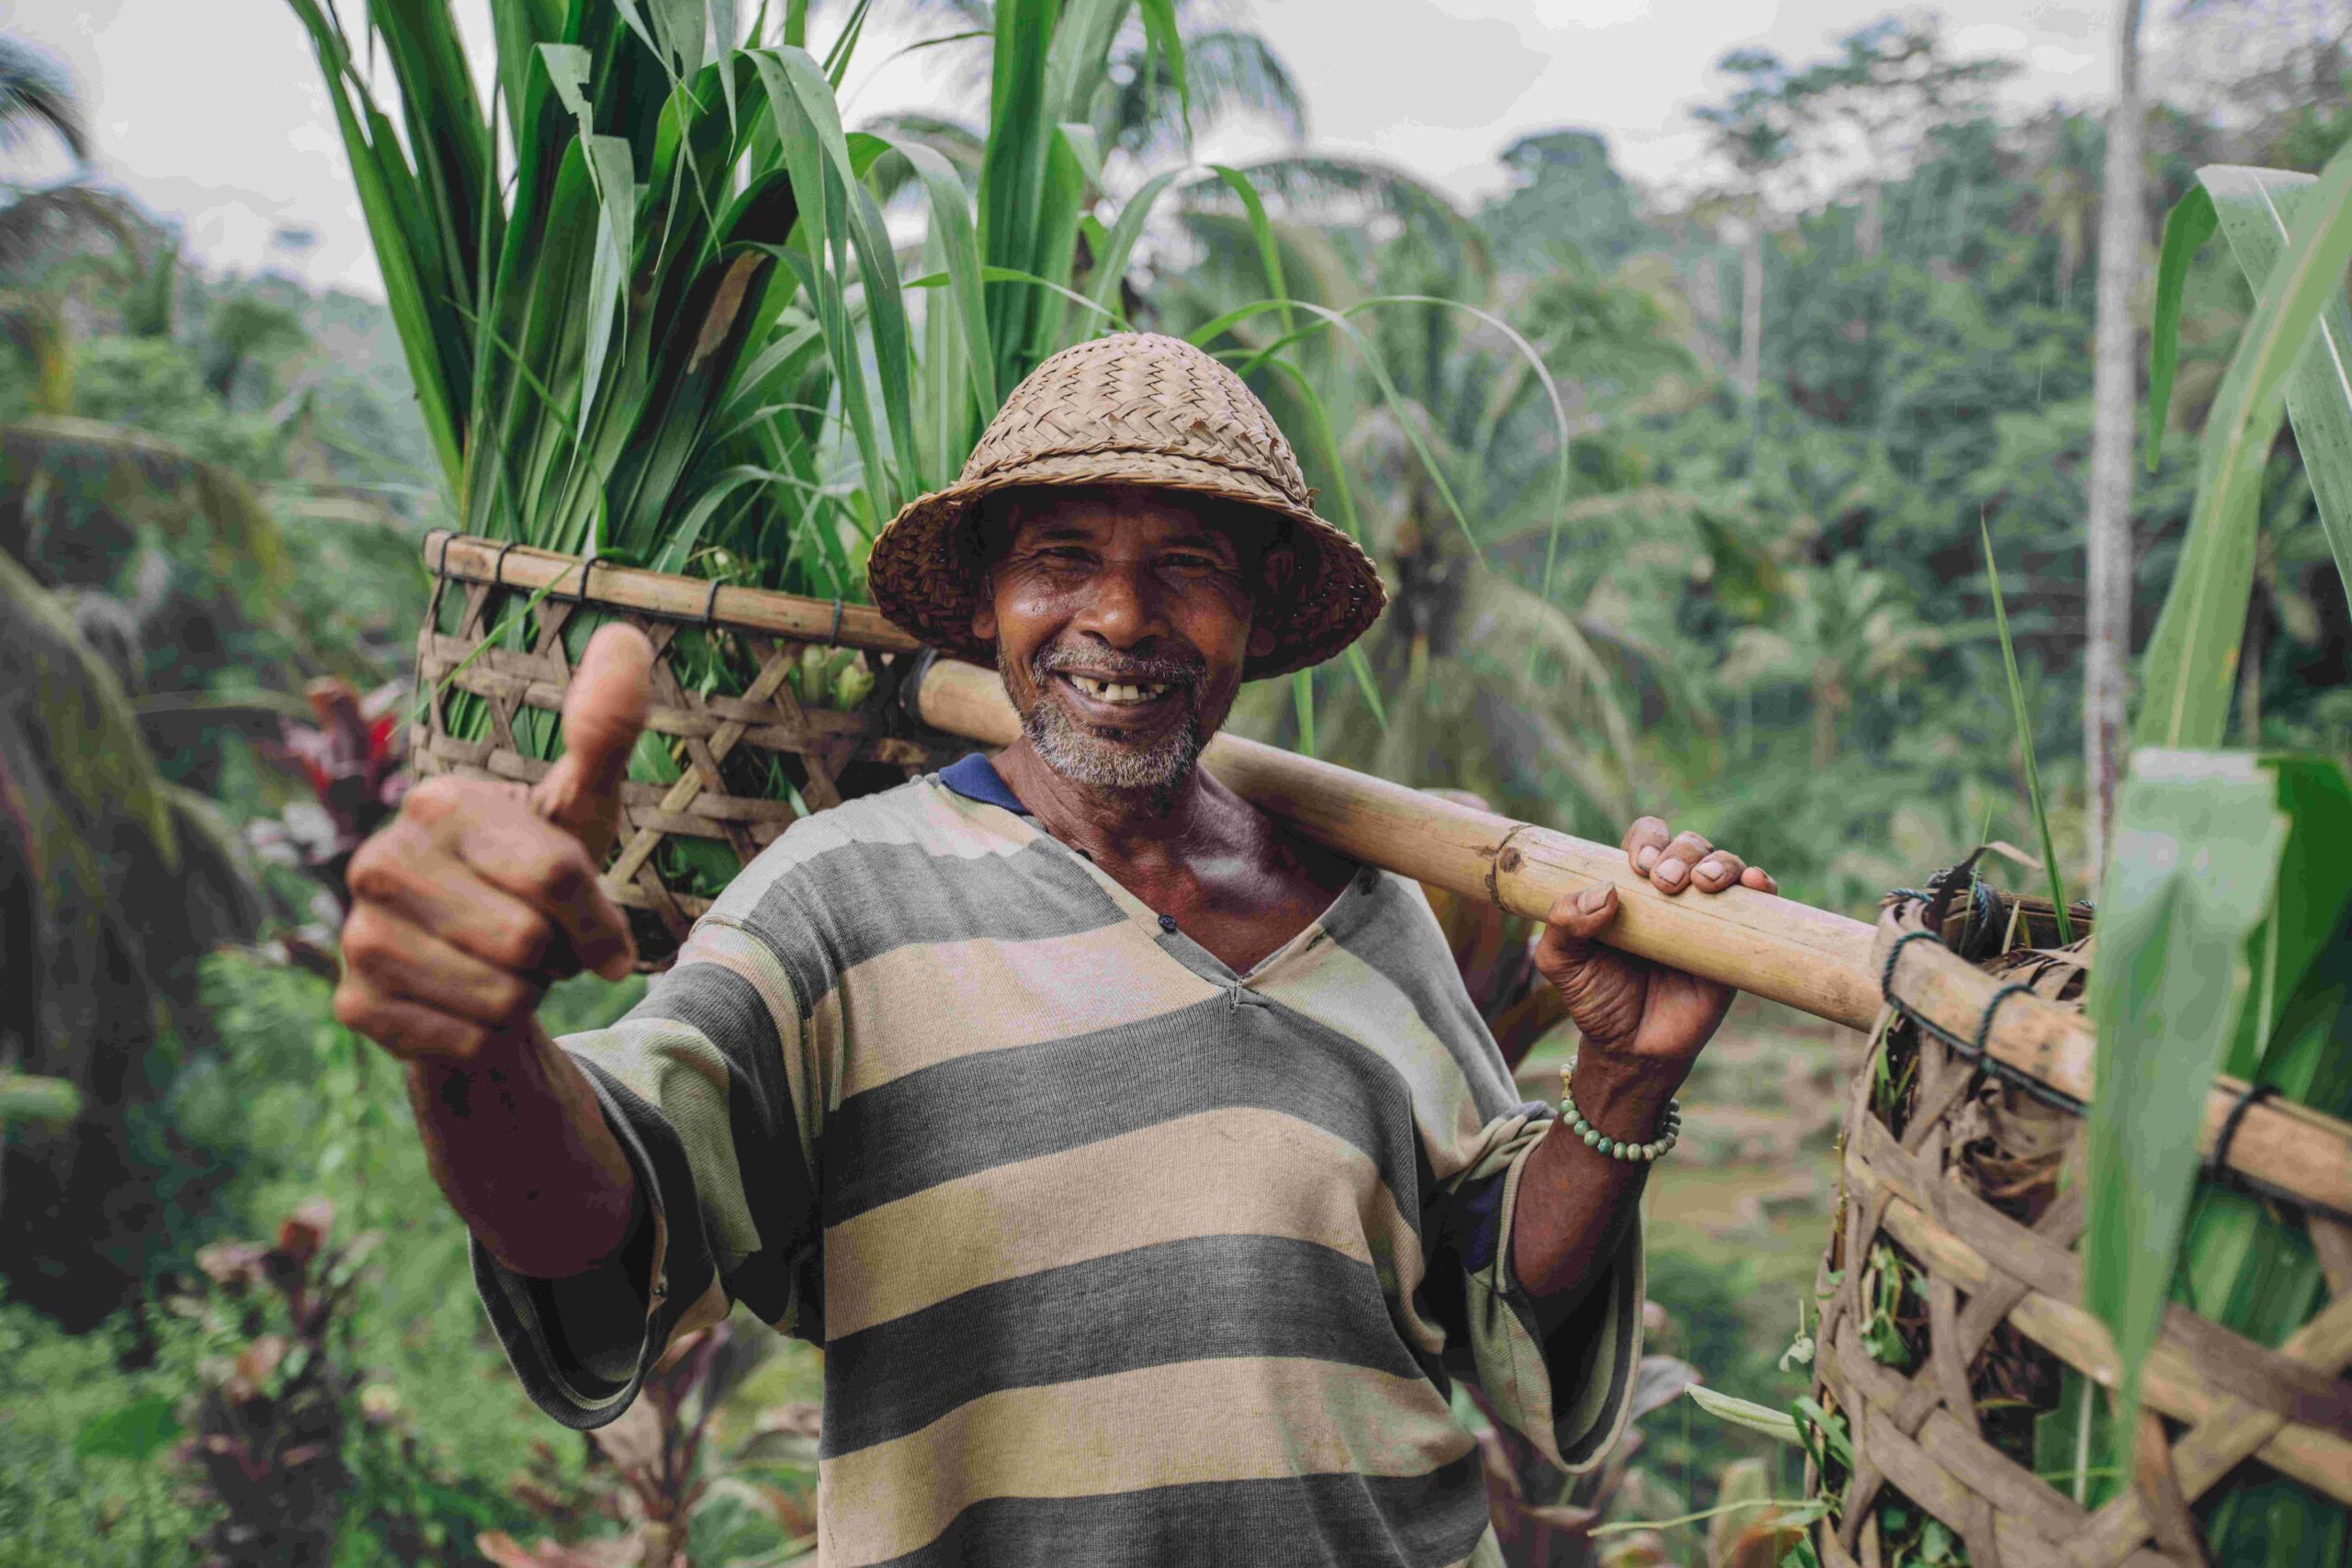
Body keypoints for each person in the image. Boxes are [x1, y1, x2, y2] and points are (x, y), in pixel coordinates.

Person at [334, 333, 1778, 1567]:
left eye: (1189, 569)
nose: (1122, 620)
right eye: (1063, 559)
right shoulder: (842, 899)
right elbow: (604, 1238)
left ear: (1260, 616)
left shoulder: (1371, 909)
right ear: (984, 605)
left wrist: (1623, 1080)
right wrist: (478, 1057)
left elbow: (1491, 1303)